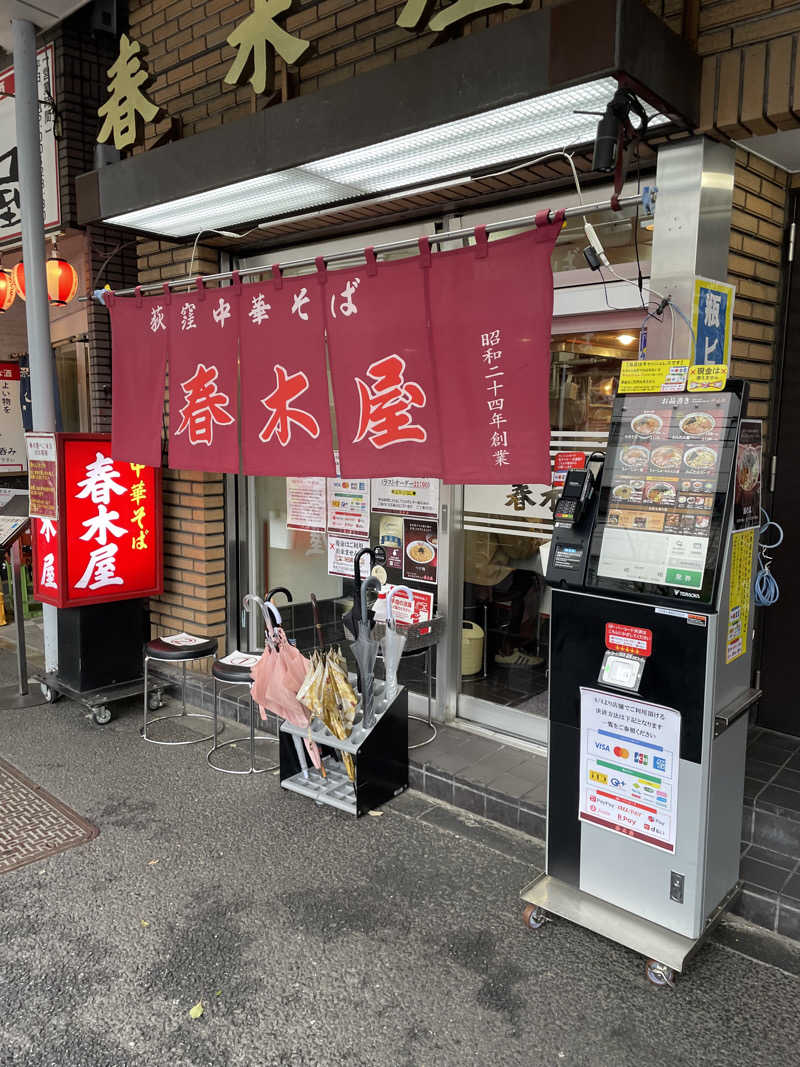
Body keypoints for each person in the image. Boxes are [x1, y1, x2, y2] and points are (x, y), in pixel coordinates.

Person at [463, 529, 544, 667]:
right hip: (485, 577)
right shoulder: (501, 509)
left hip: (463, 573)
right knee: (530, 581)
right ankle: (509, 650)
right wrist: (538, 541)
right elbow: (518, 549)